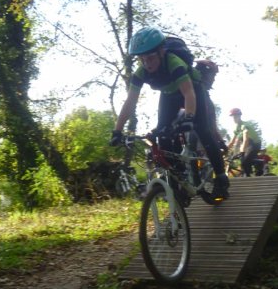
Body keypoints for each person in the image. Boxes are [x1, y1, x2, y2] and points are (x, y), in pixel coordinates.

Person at [109, 27, 230, 200]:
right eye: (142, 59)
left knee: (202, 129)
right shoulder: (141, 72)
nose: (147, 63)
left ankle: (221, 178)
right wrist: (117, 131)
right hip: (168, 95)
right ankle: (178, 181)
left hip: (193, 91)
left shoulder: (174, 63)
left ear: (161, 52)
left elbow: (189, 93)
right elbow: (130, 102)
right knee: (162, 133)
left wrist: (189, 117)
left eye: (150, 57)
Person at [194, 59, 227, 153]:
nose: (214, 79)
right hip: (202, 146)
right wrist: (220, 141)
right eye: (213, 75)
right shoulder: (203, 97)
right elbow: (211, 124)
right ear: (204, 75)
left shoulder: (186, 91)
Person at [226, 108, 262, 177]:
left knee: (244, 161)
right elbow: (232, 142)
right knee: (242, 160)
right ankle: (248, 172)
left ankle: (253, 170)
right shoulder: (237, 128)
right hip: (247, 145)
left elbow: (246, 139)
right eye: (232, 117)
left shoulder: (244, 125)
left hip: (255, 144)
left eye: (235, 116)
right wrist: (225, 150)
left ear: (239, 116)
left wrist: (242, 152)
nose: (234, 118)